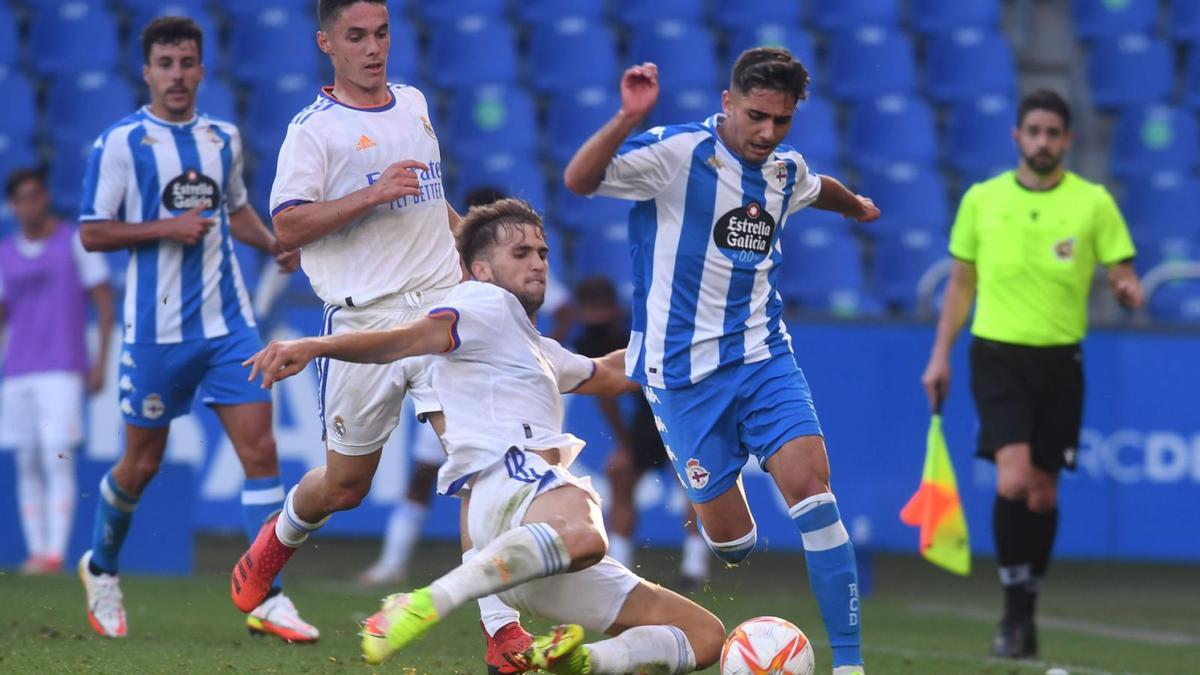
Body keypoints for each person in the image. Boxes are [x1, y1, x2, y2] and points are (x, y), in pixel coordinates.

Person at [244, 198, 726, 673]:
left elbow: (607, 372)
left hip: (520, 550)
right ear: (481, 270)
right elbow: (409, 339)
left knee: (705, 638)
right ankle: (429, 599)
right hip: (515, 488)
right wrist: (313, 345)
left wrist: (678, 344)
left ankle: (576, 661)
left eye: (541, 253)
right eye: (520, 254)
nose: (538, 263)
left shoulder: (532, 344)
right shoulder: (482, 302)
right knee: (584, 532)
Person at [229, 2, 531, 668]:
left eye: (382, 33)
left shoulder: (415, 104)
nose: (373, 48)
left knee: (479, 463)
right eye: (357, 36)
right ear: (326, 43)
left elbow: (429, 200)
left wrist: (479, 252)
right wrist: (371, 192)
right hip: (362, 319)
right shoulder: (314, 132)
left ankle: (502, 630)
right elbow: (288, 228)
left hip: (439, 310)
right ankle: (273, 543)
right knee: (344, 485)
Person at [563, 48, 880, 675]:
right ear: (728, 102)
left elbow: (819, 189)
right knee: (733, 545)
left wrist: (857, 207)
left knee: (813, 489)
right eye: (756, 116)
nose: (767, 134)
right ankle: (721, 518)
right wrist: (627, 119)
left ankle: (849, 664)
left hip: (763, 357)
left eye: (781, 121)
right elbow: (579, 180)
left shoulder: (785, 171)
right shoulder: (675, 155)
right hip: (680, 381)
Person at [74, 17, 314, 642]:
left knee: (261, 453)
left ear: (202, 70)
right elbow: (93, 232)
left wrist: (270, 245)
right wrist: (164, 228)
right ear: (147, 71)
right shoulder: (121, 143)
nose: (177, 75)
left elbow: (233, 209)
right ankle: (101, 569)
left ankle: (267, 595)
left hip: (229, 327)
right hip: (156, 333)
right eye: (166, 64)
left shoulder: (222, 137)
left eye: (187, 63)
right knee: (141, 463)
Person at [920, 89, 1142, 659]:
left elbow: (1123, 268)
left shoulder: (1093, 203)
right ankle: (1013, 615)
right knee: (1013, 479)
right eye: (1034, 131)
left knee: (1043, 494)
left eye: (1053, 132)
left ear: (1067, 140)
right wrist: (940, 352)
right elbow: (961, 282)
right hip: (997, 355)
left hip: (1060, 360)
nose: (1042, 141)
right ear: (1017, 137)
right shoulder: (983, 199)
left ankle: (1025, 611)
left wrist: (1125, 285)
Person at [0, 169, 113, 575]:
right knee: (26, 458)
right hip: (17, 370)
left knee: (55, 456)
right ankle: (36, 552)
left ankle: (54, 552)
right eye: (21, 198)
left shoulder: (72, 243)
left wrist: (100, 360)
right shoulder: (5, 253)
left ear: (44, 197)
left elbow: (103, 302)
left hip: (63, 367)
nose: (29, 205)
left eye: (35, 196)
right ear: (13, 205)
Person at [572, 276, 709, 588]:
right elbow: (605, 398)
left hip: (680, 410)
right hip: (646, 419)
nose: (596, 320)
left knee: (693, 483)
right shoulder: (589, 342)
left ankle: (694, 564)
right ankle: (617, 563)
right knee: (621, 474)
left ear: (614, 310)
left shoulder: (638, 332)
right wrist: (624, 441)